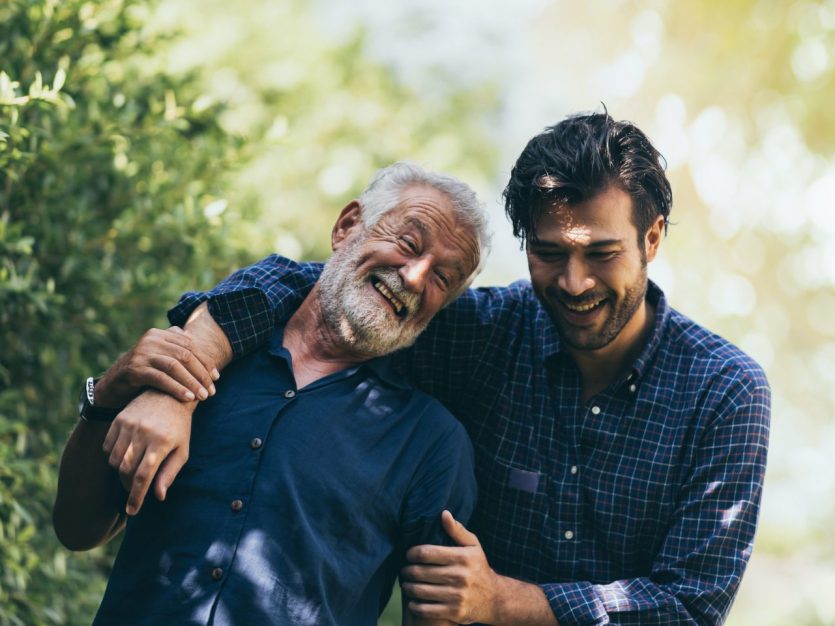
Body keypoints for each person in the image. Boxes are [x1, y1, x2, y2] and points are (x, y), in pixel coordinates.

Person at [101, 112, 771, 625]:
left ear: (651, 238)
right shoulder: (484, 335)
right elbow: (318, 287)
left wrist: (504, 601)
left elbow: (690, 606)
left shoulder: (724, 391)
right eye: (548, 253)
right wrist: (182, 376)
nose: (573, 282)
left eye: (600, 253)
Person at [52, 162, 493, 626]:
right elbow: (77, 529)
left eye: (443, 278)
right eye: (408, 243)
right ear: (347, 226)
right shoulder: (200, 353)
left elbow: (440, 610)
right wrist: (107, 392)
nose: (416, 277)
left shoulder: (432, 444)